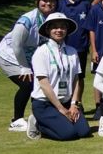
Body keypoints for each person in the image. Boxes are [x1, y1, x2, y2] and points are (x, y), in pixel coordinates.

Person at [0, 0, 57, 132]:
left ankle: (40, 116)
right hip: (10, 55)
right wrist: (24, 67)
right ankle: (16, 120)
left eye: (51, 0)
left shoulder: (52, 19)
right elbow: (16, 45)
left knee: (41, 83)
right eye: (44, 0)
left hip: (29, 56)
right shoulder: (27, 20)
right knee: (27, 84)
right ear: (37, 1)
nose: (48, 3)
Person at [28, 13, 90, 141]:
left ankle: (59, 121)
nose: (59, 30)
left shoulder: (72, 51)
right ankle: (38, 123)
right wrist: (61, 109)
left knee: (84, 131)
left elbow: (76, 80)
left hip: (66, 102)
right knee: (68, 134)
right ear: (48, 30)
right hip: (45, 103)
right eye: (55, 27)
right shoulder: (41, 52)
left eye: (62, 27)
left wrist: (74, 104)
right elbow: (44, 84)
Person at [58, 0, 90, 110]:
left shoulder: (85, 4)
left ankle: (77, 102)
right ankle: (63, 102)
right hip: (62, 47)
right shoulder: (59, 4)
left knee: (79, 76)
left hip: (80, 47)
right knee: (62, 75)